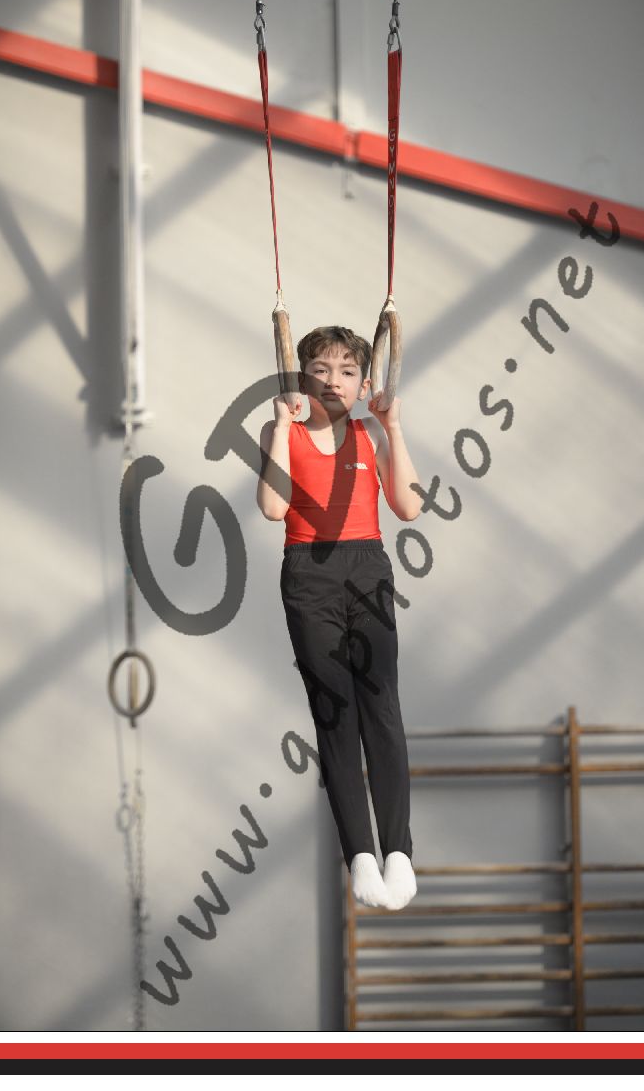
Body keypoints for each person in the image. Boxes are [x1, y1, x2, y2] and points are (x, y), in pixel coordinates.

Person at [257, 324, 421, 910]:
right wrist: (282, 426)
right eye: (321, 370)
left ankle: (398, 850)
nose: (334, 381)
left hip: (367, 567)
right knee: (337, 716)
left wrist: (393, 426)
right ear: (301, 378)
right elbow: (273, 506)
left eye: (347, 372)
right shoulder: (285, 434)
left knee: (382, 707)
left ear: (364, 384)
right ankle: (361, 855)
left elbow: (408, 506)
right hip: (309, 574)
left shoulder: (370, 435)